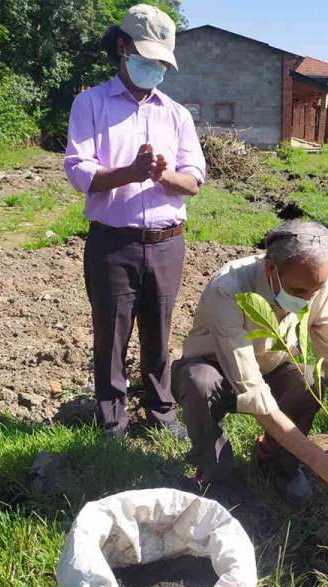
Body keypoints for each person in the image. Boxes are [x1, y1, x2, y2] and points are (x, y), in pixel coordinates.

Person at [172, 220, 328, 506]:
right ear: (271, 268)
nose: (309, 299)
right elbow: (249, 386)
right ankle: (216, 470)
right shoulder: (229, 289)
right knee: (199, 383)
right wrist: (323, 464)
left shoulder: (316, 284)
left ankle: (278, 461)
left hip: (272, 365)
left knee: (310, 382)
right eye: (300, 291)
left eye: (317, 289)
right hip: (217, 367)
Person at [64, 4, 204, 437]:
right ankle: (112, 419)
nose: (155, 68)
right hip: (113, 241)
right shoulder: (90, 104)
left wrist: (162, 175)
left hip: (167, 241)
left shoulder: (176, 113)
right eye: (148, 58)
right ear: (123, 48)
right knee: (111, 332)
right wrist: (131, 172)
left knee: (159, 331)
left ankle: (161, 410)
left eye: (162, 62)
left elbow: (194, 179)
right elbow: (78, 170)